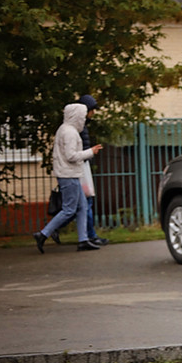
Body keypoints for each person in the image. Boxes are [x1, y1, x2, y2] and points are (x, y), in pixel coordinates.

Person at [33, 103, 104, 253]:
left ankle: (83, 240)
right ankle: (43, 234)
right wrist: (90, 152)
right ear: (76, 116)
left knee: (82, 207)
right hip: (68, 175)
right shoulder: (70, 132)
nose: (84, 119)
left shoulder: (64, 129)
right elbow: (71, 156)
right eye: (82, 116)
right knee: (69, 209)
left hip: (70, 174)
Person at [54, 95, 108, 247]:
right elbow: (73, 153)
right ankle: (87, 236)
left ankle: (83, 236)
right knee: (82, 203)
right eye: (91, 110)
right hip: (79, 167)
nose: (93, 114)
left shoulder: (79, 126)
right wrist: (90, 153)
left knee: (80, 204)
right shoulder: (76, 128)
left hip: (80, 166)